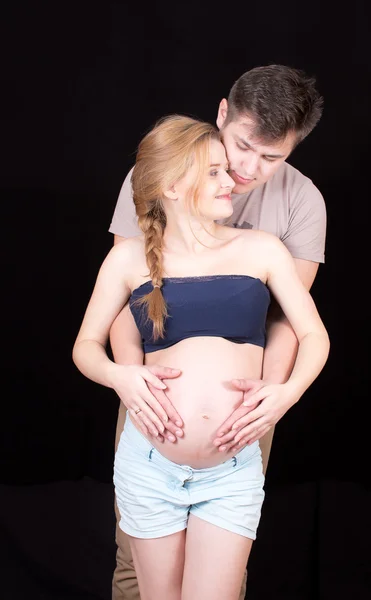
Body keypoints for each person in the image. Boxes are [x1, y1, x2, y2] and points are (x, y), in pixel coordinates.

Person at [73, 114, 329, 600]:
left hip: (231, 468)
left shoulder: (263, 250)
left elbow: (313, 335)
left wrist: (286, 393)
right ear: (171, 187)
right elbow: (85, 346)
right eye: (212, 171)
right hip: (148, 460)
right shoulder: (129, 260)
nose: (230, 178)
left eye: (222, 169)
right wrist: (120, 377)